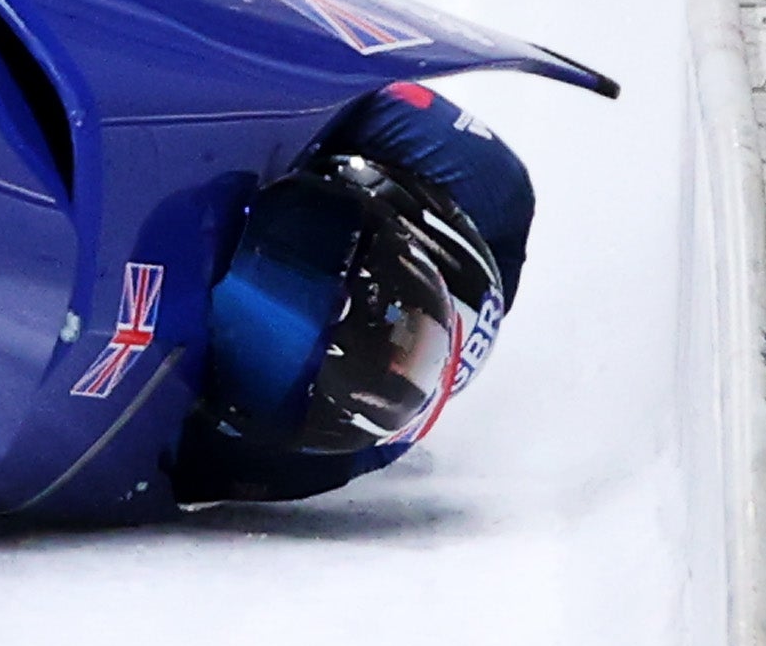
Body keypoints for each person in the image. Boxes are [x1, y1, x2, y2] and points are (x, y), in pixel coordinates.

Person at [173, 82, 533, 504]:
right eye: (407, 324)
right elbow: (311, 65)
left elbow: (157, 472)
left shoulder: (317, 459)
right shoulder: (483, 178)